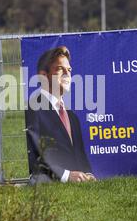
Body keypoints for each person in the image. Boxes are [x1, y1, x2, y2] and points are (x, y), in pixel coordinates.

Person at [25, 46, 95, 184]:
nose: (67, 74)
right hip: (46, 179)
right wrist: (66, 176)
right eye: (60, 69)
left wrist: (87, 173)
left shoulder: (72, 117)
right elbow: (38, 154)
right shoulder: (32, 109)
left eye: (69, 70)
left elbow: (79, 154)